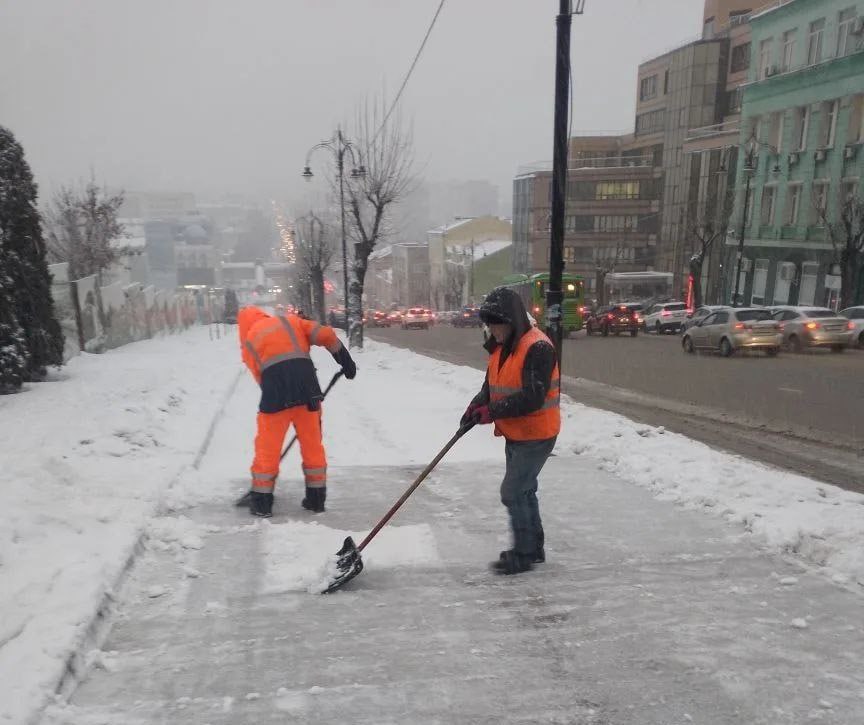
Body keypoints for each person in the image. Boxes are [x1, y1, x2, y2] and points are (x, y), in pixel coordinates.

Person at [461, 287, 560, 575]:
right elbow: (490, 387)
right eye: (490, 323)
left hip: (537, 434)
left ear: (513, 320)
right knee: (525, 490)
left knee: (513, 491)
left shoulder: (538, 347)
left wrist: (491, 413)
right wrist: (474, 407)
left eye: (498, 322)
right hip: (516, 433)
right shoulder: (501, 347)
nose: (493, 328)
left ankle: (525, 553)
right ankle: (535, 548)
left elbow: (533, 396)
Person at [237, 306, 356, 518]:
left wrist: (279, 397)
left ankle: (262, 502)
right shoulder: (289, 322)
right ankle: (316, 499)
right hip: (307, 389)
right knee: (312, 445)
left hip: (275, 394)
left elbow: (260, 377)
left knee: (268, 448)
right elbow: (325, 334)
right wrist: (344, 359)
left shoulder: (248, 342)